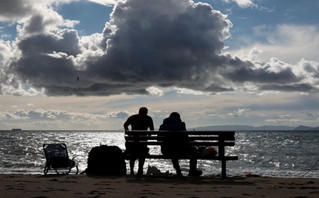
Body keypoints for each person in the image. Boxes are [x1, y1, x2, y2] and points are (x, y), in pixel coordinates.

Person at [159, 112, 202, 176]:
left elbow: (158, 139)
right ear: (178, 118)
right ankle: (192, 171)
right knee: (194, 151)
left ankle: (178, 172)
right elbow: (185, 138)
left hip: (166, 151)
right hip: (180, 150)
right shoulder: (181, 124)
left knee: (173, 150)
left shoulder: (162, 126)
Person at [124, 107, 154, 175]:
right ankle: (140, 169)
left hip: (133, 141)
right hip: (143, 141)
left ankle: (132, 170)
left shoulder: (133, 117)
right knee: (142, 153)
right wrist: (148, 137)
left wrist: (128, 134)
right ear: (146, 112)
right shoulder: (148, 118)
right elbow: (152, 130)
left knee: (132, 154)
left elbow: (125, 125)